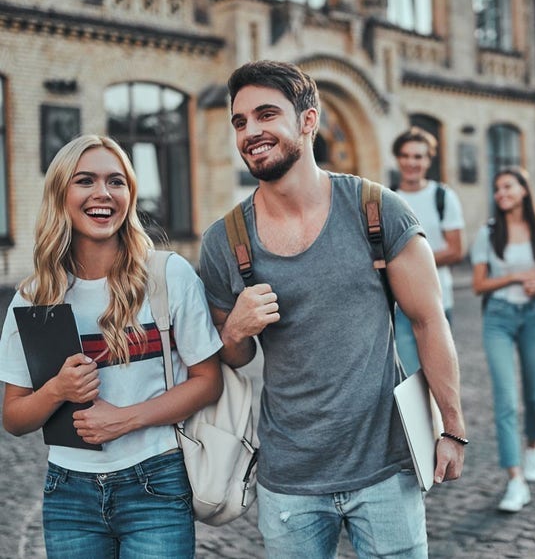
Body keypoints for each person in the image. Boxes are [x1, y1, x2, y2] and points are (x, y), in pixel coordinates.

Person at [199, 60, 466, 558]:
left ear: (307, 120)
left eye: (265, 114)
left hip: (386, 468)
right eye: (240, 122)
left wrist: (451, 426)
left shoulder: (376, 209)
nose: (251, 131)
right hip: (290, 480)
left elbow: (429, 321)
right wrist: (235, 329)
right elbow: (232, 357)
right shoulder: (224, 242)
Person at [0, 135, 224, 558]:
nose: (103, 193)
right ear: (61, 193)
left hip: (156, 484)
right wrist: (56, 391)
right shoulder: (34, 296)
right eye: (86, 180)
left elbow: (207, 381)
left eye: (116, 182)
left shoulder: (167, 276)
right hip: (68, 493)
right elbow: (14, 417)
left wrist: (124, 420)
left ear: (130, 194)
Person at [470, 167, 535, 513]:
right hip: (499, 320)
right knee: (506, 399)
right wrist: (516, 277)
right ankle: (515, 479)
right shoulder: (489, 233)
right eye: (497, 188)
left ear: (524, 189)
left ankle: (533, 446)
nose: (501, 193)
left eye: (508, 186)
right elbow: (479, 285)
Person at [391, 127, 465, 376]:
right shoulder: (386, 198)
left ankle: (442, 418)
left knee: (439, 377)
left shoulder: (442, 196)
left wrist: (408, 263)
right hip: (399, 306)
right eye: (406, 155)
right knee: (411, 380)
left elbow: (455, 250)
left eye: (419, 157)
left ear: (428, 160)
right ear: (398, 159)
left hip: (438, 302)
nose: (412, 162)